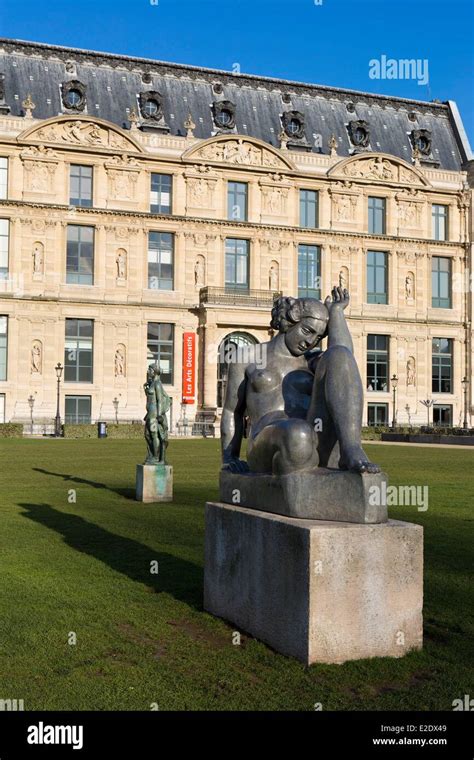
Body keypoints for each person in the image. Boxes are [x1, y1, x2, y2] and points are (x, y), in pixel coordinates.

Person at [221, 286, 380, 475]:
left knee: (338, 354)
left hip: (312, 439)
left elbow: (344, 359)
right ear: (289, 322)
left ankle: (351, 449)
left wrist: (336, 313)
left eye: (318, 337)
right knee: (298, 433)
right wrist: (230, 458)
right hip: (266, 443)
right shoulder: (249, 356)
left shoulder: (312, 361)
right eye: (307, 331)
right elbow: (232, 411)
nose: (310, 341)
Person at [143, 364, 171, 464]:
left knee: (154, 435)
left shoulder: (157, 384)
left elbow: (159, 400)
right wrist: (146, 389)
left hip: (154, 414)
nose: (148, 371)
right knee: (147, 435)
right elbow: (151, 397)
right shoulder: (152, 383)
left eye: (150, 369)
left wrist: (159, 415)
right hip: (150, 413)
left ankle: (155, 457)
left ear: (154, 371)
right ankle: (152, 454)